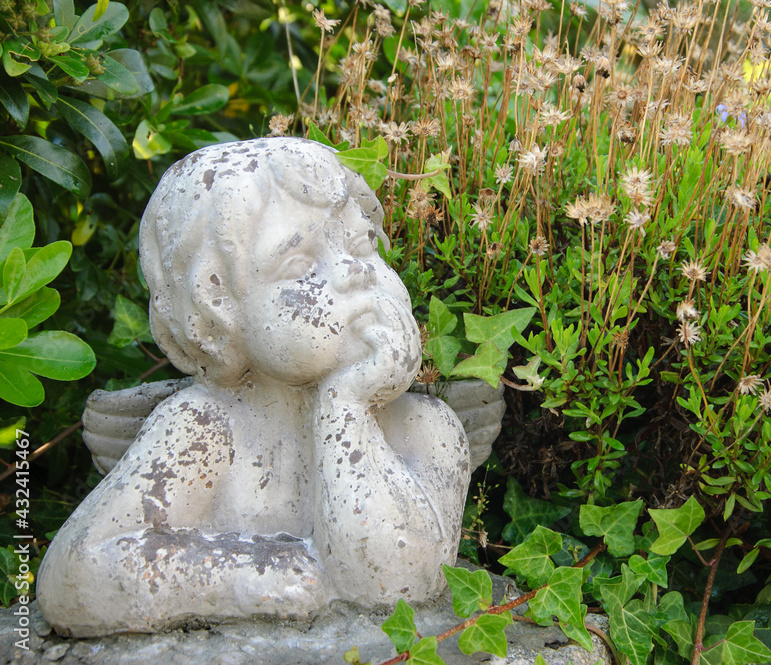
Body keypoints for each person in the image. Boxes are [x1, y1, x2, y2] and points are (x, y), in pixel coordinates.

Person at [36, 138, 471, 637]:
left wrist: (346, 404)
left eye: (360, 244)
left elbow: (396, 585)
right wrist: (249, 576)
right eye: (301, 266)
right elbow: (74, 575)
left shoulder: (427, 430)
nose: (353, 273)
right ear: (218, 313)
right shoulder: (204, 430)